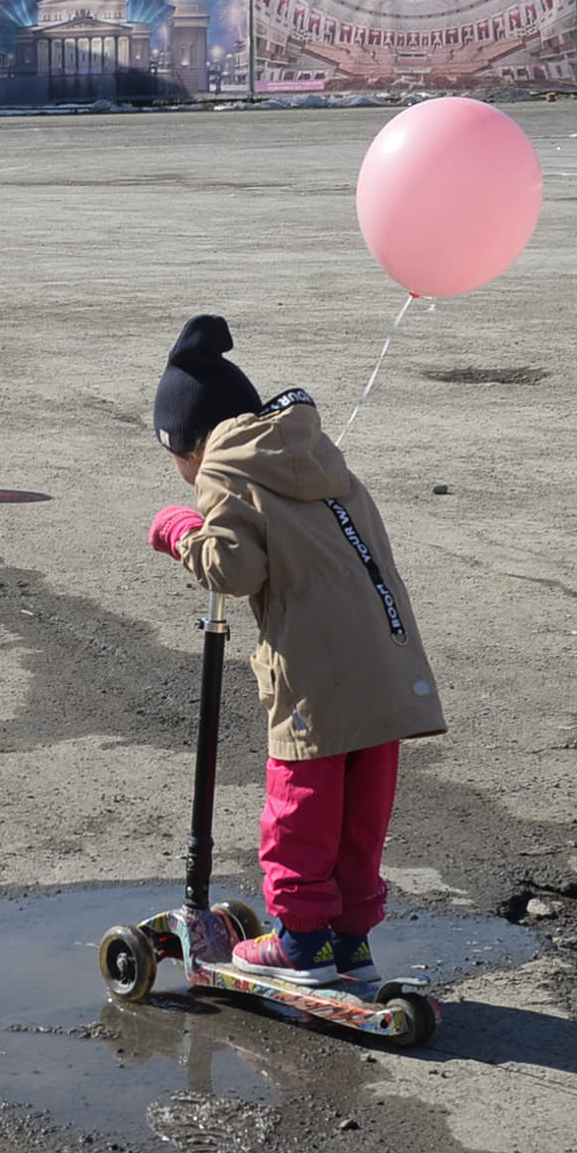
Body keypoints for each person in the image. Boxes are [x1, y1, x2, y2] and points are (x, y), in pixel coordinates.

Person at [145, 314, 447, 987]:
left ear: (190, 442)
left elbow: (236, 569)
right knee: (362, 808)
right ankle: (351, 938)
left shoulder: (228, 467)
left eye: (175, 462)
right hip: (390, 655)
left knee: (300, 803)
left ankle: (303, 941)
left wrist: (183, 530)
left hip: (316, 668)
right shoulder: (314, 456)